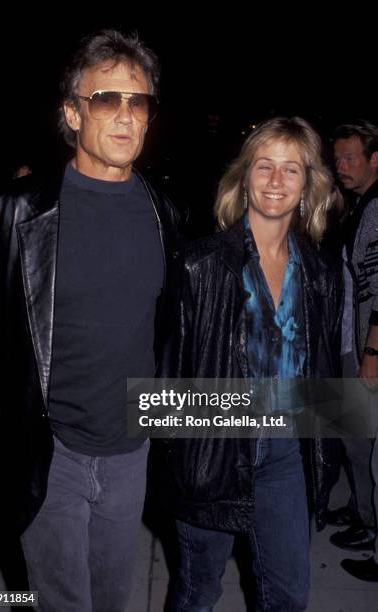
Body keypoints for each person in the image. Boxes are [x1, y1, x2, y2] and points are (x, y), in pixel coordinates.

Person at [0, 28, 179, 612]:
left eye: (138, 102)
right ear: (71, 113)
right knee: (60, 602)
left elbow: (169, 331)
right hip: (48, 449)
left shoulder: (166, 215)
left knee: (113, 599)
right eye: (105, 99)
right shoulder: (12, 213)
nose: (125, 115)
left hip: (130, 452)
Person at [155, 117, 342, 611]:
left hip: (284, 454)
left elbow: (324, 376)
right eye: (265, 166)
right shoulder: (200, 265)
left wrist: (332, 445)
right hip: (213, 448)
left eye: (291, 170)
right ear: (244, 178)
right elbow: (170, 372)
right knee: (198, 592)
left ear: (308, 185)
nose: (276, 181)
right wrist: (178, 461)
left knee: (288, 596)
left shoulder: (323, 273)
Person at [329, 120, 378, 579]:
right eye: (338, 158)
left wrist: (371, 353)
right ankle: (365, 515)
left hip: (368, 349)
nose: (342, 166)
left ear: (375, 159)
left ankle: (371, 526)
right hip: (352, 341)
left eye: (352, 158)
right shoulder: (360, 206)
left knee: (366, 444)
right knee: (354, 440)